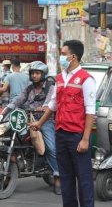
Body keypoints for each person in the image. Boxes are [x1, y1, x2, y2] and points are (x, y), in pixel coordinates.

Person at [30, 40, 96, 207]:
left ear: (73, 57)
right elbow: (53, 105)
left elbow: (90, 111)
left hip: (77, 136)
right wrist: (39, 123)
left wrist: (85, 139)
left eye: (64, 54)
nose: (61, 57)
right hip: (60, 133)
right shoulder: (59, 78)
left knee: (84, 179)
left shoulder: (86, 79)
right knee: (65, 179)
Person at [7, 61, 61, 195]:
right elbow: (18, 100)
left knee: (51, 147)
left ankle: (58, 176)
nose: (34, 76)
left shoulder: (50, 87)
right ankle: (13, 164)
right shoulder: (29, 88)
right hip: (29, 119)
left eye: (37, 73)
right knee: (11, 134)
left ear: (43, 74)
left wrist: (43, 108)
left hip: (46, 120)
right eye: (33, 73)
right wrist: (5, 110)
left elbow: (50, 104)